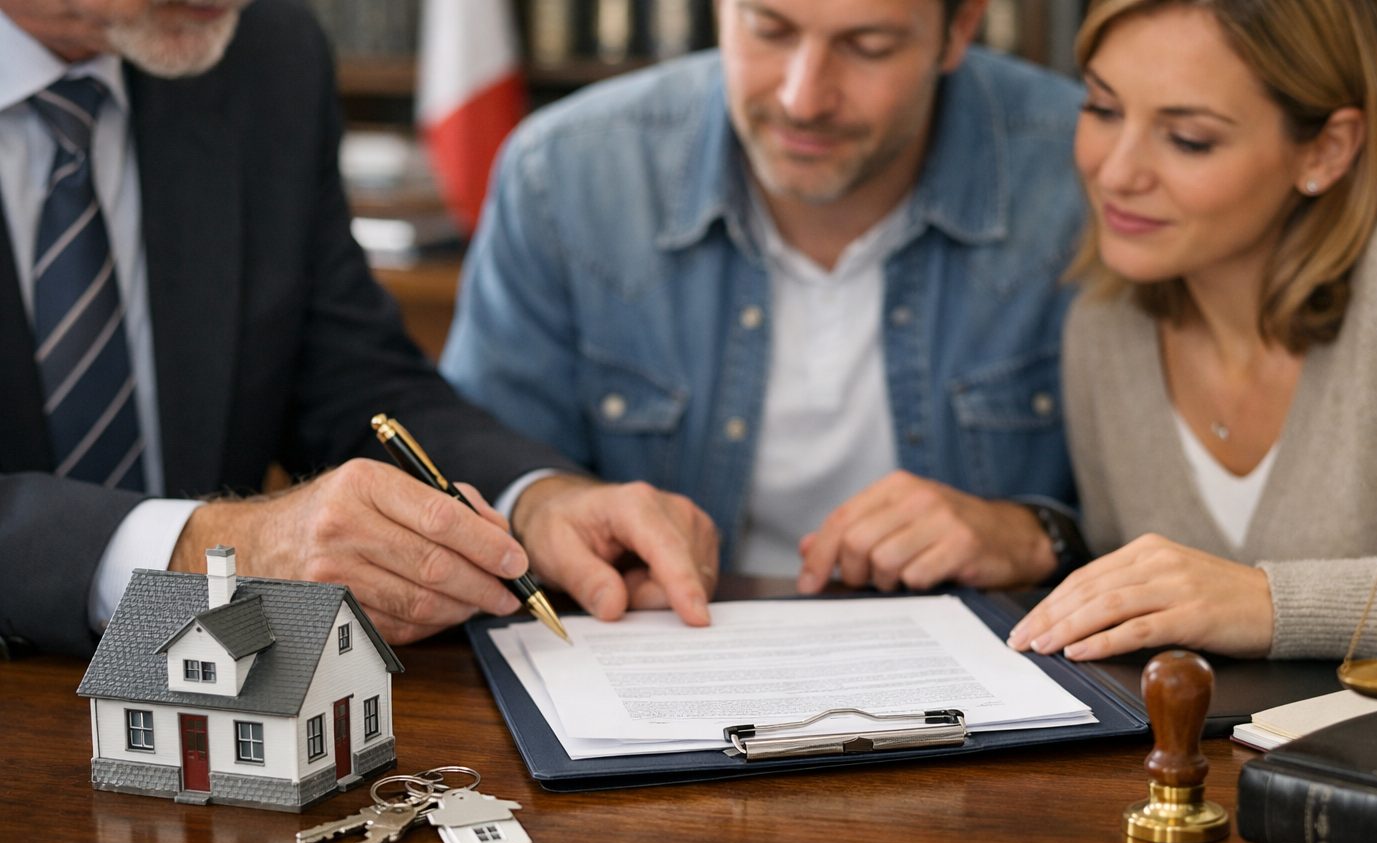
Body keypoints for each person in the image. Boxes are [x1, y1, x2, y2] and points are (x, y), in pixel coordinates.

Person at [0, 0, 717, 659]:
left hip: (225, 697)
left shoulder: (262, 51)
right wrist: (206, 550)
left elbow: (352, 380)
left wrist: (532, 501)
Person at [439, 0, 1086, 597]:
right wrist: (549, 507)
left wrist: (1036, 533)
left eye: (868, 46)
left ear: (959, 31)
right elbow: (483, 469)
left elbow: (1166, 520)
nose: (803, 98)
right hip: (659, 664)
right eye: (768, 30)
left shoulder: (1088, 171)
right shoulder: (565, 174)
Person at [1009, 0, 1377, 666]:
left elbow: (1236, 609)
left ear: (1327, 148)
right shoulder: (1105, 319)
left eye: (1189, 139)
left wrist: (1268, 601)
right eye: (1103, 110)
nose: (1115, 173)